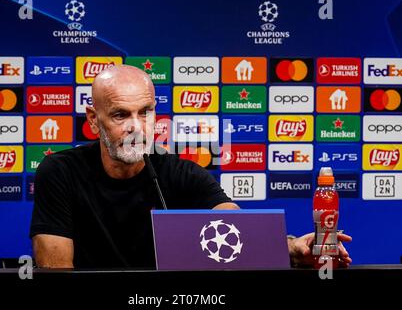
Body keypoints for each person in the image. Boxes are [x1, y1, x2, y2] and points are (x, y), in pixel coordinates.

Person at [30, 65, 352, 269]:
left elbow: (241, 234)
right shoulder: (60, 173)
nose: (137, 126)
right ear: (93, 119)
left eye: (146, 112)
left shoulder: (179, 173)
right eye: (120, 115)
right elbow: (57, 270)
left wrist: (294, 248)